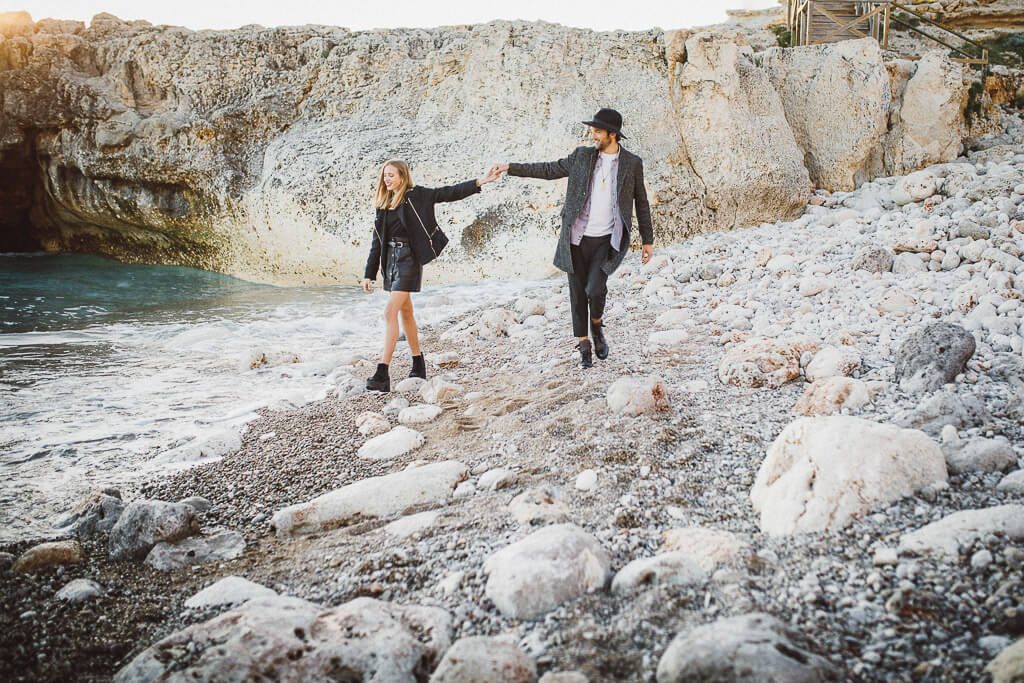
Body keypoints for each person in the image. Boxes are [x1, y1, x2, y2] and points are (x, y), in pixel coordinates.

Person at [492, 108, 655, 368]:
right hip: (576, 238)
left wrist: (648, 240)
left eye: (598, 131)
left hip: (606, 240)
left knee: (595, 288)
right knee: (577, 293)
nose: (593, 135)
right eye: (593, 131)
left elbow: (641, 202)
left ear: (612, 135)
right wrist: (510, 167)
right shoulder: (582, 156)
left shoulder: (632, 163)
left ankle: (597, 326)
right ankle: (584, 347)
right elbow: (548, 170)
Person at [363, 159, 501, 392]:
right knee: (406, 313)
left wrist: (481, 181)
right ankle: (418, 364)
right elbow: (376, 242)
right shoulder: (383, 205)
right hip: (391, 263)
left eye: (392, 175)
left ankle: (382, 372)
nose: (387, 179)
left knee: (390, 312)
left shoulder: (417, 196)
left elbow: (448, 193)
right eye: (385, 175)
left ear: (403, 176)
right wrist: (369, 273)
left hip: (409, 260)